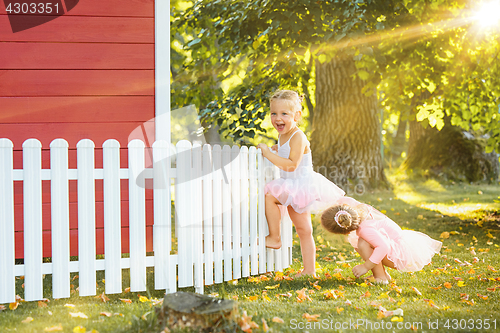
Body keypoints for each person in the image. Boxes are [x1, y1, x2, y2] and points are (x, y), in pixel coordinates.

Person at [257, 89, 345, 277]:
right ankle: (309, 270)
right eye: (273, 113)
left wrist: (268, 153)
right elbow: (286, 154)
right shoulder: (283, 136)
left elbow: (291, 165)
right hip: (293, 185)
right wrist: (277, 149)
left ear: (296, 116)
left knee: (271, 197)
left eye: (284, 114)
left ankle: (274, 237)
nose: (277, 118)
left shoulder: (298, 136)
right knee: (303, 229)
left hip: (300, 185)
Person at [320, 196, 442, 284]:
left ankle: (380, 278)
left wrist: (366, 266)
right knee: (359, 243)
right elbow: (345, 199)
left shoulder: (364, 229)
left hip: (401, 255)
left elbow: (384, 247)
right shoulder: (360, 209)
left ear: (345, 231)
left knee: (362, 244)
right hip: (400, 246)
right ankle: (383, 274)